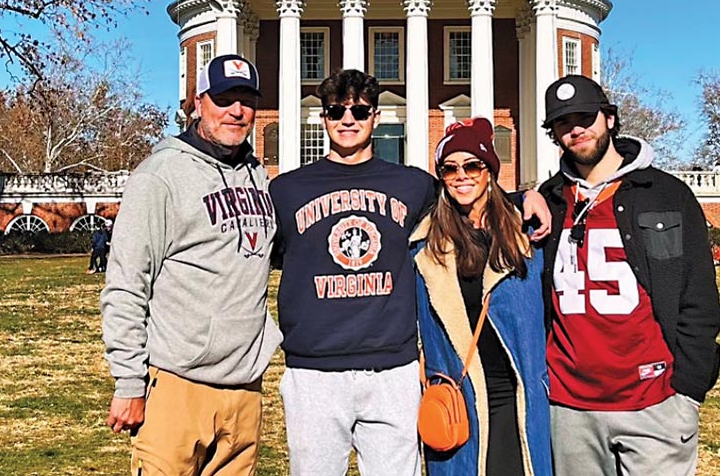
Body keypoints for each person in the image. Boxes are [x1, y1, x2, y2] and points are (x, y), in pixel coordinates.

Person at [268, 70, 549, 476]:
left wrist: (526, 196)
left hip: (392, 370)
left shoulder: (413, 185)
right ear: (323, 118)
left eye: (360, 111)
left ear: (376, 117)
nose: (349, 120)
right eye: (336, 111)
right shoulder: (286, 190)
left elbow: (468, 195)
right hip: (313, 372)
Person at [100, 55, 282, 476]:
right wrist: (129, 382)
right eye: (223, 99)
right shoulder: (160, 176)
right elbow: (126, 285)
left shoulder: (258, 177)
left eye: (246, 99)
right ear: (199, 103)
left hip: (245, 390)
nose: (236, 111)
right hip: (178, 386)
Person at [538, 75, 720, 476]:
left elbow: (699, 297)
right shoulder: (547, 202)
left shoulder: (665, 194)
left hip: (655, 403)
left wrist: (687, 390)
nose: (576, 129)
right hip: (569, 407)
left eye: (585, 116)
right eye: (563, 123)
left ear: (609, 119)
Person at [412, 118, 551, 476]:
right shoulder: (426, 244)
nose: (462, 175)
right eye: (450, 168)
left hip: (517, 391)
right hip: (460, 395)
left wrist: (528, 194)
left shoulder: (527, 231)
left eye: (473, 165)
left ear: (489, 170)